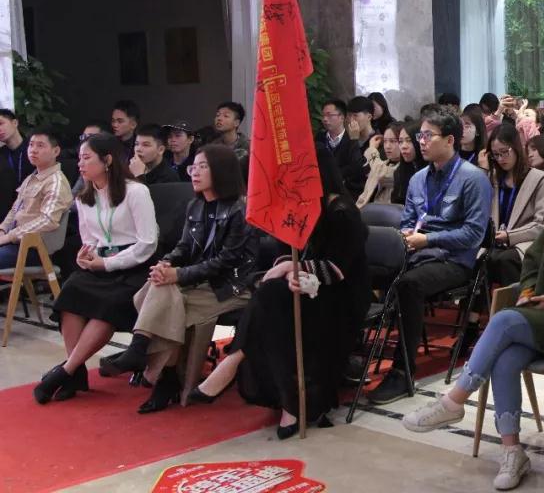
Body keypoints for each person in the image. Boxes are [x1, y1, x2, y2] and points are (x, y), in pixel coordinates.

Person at [399, 143, 544, 491]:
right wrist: (528, 292)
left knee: (505, 320)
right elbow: (532, 261)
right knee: (506, 360)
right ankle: (512, 451)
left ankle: (454, 400)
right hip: (542, 316)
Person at [189, 149, 371, 439]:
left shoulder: (342, 211)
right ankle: (290, 403)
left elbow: (337, 269)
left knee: (271, 299)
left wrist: (292, 268)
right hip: (301, 289)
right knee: (271, 298)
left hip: (339, 297)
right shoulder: (299, 208)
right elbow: (284, 253)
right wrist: (288, 269)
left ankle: (235, 360)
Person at [99, 145, 257, 414]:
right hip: (200, 281)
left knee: (168, 301)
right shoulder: (196, 205)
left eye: (203, 167)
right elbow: (184, 247)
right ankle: (158, 369)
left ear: (222, 171)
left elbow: (226, 261)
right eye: (193, 166)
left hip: (229, 286)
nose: (195, 172)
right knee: (162, 289)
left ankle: (154, 364)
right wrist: (166, 263)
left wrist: (178, 274)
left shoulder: (239, 211)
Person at [367, 106, 493, 405]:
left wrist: (428, 240)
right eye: (420, 136)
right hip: (417, 252)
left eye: (428, 136)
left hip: (455, 259)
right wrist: (408, 236)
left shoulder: (474, 179)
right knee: (363, 270)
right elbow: (409, 221)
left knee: (408, 284)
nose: (421, 142)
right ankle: (350, 353)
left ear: (449, 140)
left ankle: (402, 372)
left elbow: (473, 235)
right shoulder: (418, 179)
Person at [34, 134, 158, 403]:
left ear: (108, 160)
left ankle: (65, 371)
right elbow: (89, 239)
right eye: (79, 158)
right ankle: (75, 372)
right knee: (71, 294)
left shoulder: (136, 192)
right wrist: (86, 256)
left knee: (107, 304)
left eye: (86, 158)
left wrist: (109, 263)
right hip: (100, 264)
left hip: (133, 266)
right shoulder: (84, 197)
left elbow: (148, 244)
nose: (80, 164)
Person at [485, 124, 544, 288]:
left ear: (517, 148)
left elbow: (542, 225)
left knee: (505, 260)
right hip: (496, 241)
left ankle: (514, 302)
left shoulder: (538, 179)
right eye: (496, 154)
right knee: (480, 257)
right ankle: (477, 306)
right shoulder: (492, 178)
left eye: (505, 152)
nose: (500, 159)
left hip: (525, 242)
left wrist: (509, 235)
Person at [0, 129, 73, 268]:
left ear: (56, 151)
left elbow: (48, 220)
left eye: (40, 145)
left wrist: (9, 236)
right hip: (14, 243)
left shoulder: (56, 182)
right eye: (31, 144)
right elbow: (15, 209)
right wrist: (2, 229)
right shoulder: (31, 178)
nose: (33, 150)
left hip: (34, 249)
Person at [317, 99, 366, 195]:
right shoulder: (319, 138)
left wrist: (354, 140)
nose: (325, 119)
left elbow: (357, 169)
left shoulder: (352, 139)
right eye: (323, 115)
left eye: (329, 115)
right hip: (323, 192)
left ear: (342, 117)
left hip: (347, 193)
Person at [357, 121, 404, 208]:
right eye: (385, 141)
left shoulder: (405, 167)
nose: (387, 146)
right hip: (363, 210)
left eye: (392, 141)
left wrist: (372, 150)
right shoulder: (382, 163)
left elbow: (381, 174)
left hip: (384, 213)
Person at [0, 109, 32, 217]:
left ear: (15, 123)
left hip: (32, 208)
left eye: (1, 123)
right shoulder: (2, 154)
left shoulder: (33, 150)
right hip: (7, 212)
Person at [390, 122, 422, 206]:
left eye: (409, 141)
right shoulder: (399, 172)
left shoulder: (433, 171)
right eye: (400, 141)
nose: (403, 146)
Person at [210, 102, 249, 166]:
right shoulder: (212, 147)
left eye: (226, 116)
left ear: (236, 123)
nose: (219, 118)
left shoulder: (248, 146)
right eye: (218, 115)